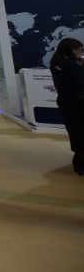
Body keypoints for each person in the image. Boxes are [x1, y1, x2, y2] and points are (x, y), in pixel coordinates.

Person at [48, 38, 84, 175]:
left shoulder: (57, 61)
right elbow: (79, 81)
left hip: (65, 100)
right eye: (79, 50)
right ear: (72, 49)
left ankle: (78, 160)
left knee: (75, 131)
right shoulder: (68, 63)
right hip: (76, 101)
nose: (80, 53)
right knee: (80, 131)